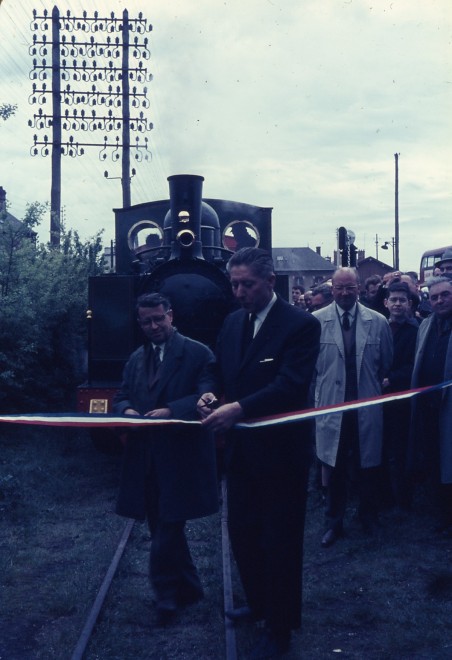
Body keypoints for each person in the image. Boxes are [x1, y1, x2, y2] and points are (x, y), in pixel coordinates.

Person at [198, 247, 320, 659]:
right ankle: (259, 604)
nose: (239, 292)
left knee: (280, 540)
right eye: (234, 284)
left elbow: (290, 384)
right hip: (242, 452)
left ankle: (280, 626)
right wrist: (210, 394)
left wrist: (240, 408)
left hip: (282, 455)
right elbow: (216, 368)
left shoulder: (300, 325)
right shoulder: (233, 322)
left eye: (247, 284)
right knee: (243, 533)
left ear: (270, 281)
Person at [113, 293, 218, 624]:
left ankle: (165, 597)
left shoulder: (199, 353)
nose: (153, 326)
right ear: (140, 322)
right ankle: (190, 587)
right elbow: (121, 396)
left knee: (168, 529)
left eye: (159, 319)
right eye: (146, 321)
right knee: (162, 522)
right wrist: (127, 410)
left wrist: (173, 409)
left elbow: (208, 393)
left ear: (171, 316)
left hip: (182, 456)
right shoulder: (135, 359)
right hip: (146, 459)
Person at [313, 267, 393, 547]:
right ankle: (334, 523)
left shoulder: (379, 321)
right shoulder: (316, 322)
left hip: (366, 405)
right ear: (331, 289)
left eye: (350, 287)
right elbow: (312, 370)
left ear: (359, 288)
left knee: (367, 465)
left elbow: (385, 363)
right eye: (339, 288)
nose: (345, 293)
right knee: (333, 467)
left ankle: (368, 517)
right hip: (332, 408)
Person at [409, 275, 452, 536]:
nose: (439, 300)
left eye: (445, 295)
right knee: (435, 460)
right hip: (428, 408)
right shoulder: (425, 325)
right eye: (434, 297)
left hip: (450, 409)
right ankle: (442, 514)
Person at [381, 281, 418, 510]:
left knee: (401, 449)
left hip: (402, 398)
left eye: (401, 300)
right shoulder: (379, 326)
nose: (397, 304)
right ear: (386, 303)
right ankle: (384, 496)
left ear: (409, 303)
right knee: (381, 448)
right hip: (376, 398)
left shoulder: (417, 330)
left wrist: (391, 378)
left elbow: (415, 364)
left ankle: (404, 499)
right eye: (393, 300)